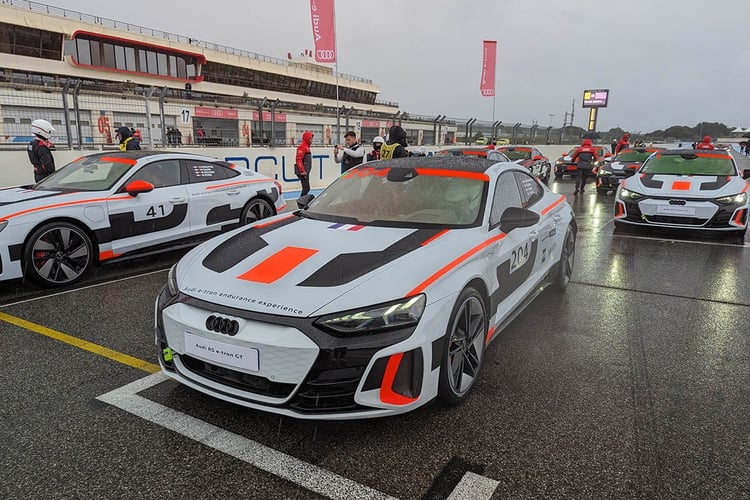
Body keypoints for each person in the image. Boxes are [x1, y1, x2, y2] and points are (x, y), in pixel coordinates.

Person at [27, 119, 56, 183]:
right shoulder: (41, 146)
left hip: (38, 173)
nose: (49, 133)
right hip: (46, 175)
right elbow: (47, 164)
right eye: (49, 131)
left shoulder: (31, 143)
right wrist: (54, 174)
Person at [295, 131, 314, 197]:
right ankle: (301, 201)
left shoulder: (307, 147)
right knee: (306, 188)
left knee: (306, 188)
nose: (311, 140)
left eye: (311, 138)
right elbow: (298, 159)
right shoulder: (302, 146)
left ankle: (303, 201)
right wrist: (302, 170)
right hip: (303, 172)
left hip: (305, 171)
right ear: (306, 138)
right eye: (310, 138)